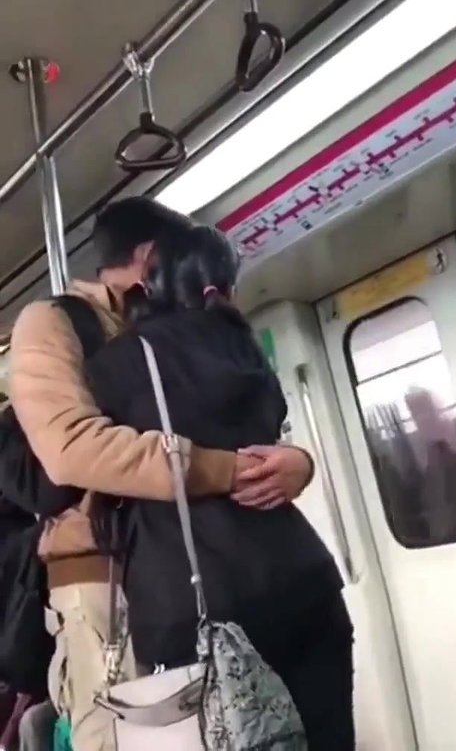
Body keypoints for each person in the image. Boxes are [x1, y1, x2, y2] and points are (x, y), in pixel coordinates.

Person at [8, 197, 315, 751]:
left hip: (208, 561)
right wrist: (225, 470)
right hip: (107, 575)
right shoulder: (56, 323)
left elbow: (245, 421)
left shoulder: (180, 321)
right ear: (152, 255)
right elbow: (73, 448)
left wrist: (297, 461)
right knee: (130, 734)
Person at [86, 221, 355, 750]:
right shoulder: (245, 348)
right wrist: (299, 461)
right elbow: (273, 438)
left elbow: (65, 481)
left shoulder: (116, 364)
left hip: (194, 601)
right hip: (303, 581)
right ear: (218, 289)